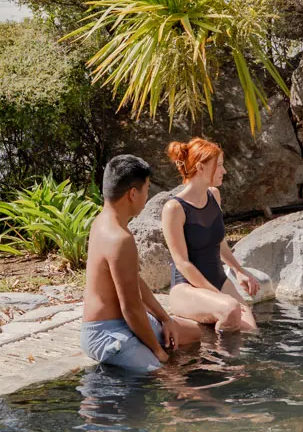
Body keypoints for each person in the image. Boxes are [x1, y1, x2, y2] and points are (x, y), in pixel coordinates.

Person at [82, 154, 206, 372]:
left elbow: (133, 280)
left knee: (194, 334)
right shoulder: (119, 239)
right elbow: (131, 308)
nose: (148, 196)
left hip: (123, 322)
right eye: (147, 189)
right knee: (167, 375)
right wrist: (158, 353)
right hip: (106, 334)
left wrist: (165, 319)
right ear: (132, 194)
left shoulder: (102, 222)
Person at [160, 138, 262, 333]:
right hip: (187, 288)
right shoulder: (174, 208)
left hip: (219, 280)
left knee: (251, 330)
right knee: (230, 310)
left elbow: (219, 243)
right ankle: (215, 353)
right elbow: (182, 263)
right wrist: (217, 296)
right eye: (220, 165)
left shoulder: (214, 195)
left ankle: (221, 347)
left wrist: (239, 270)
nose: (225, 171)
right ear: (201, 167)